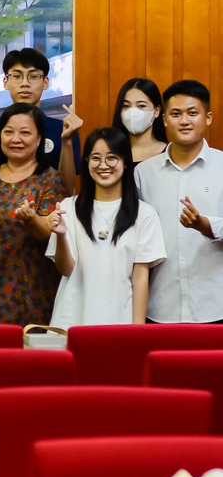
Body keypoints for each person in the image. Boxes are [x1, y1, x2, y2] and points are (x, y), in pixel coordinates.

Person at [47, 127, 166, 329]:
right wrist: (60, 236)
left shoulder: (144, 214)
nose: (103, 165)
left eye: (112, 158)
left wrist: (138, 330)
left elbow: (140, 278)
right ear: (87, 163)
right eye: (95, 158)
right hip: (71, 320)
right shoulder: (69, 207)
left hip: (120, 320)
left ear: (125, 162)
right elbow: (65, 269)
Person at [135, 79, 223, 324]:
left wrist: (204, 225)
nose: (184, 121)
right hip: (160, 306)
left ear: (208, 118)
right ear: (164, 119)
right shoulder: (143, 173)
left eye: (193, 113)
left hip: (215, 305)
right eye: (176, 114)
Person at [0, 104, 66, 325]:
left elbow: (48, 234)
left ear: (39, 140)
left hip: (33, 287)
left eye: (25, 133)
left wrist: (31, 220)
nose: (15, 139)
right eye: (8, 131)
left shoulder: (50, 179)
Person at [0, 48, 82, 194]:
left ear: (45, 82)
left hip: (49, 211)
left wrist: (67, 142)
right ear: (5, 82)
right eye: (17, 76)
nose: (25, 83)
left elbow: (67, 188)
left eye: (34, 76)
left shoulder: (62, 129)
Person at [112, 77, 167, 166]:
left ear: (156, 111)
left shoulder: (170, 153)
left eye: (141, 106)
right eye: (126, 106)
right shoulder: (111, 153)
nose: (132, 112)